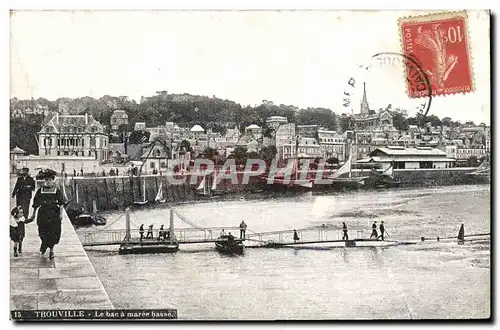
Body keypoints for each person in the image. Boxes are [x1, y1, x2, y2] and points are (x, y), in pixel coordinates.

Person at [30, 169, 65, 259]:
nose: (48, 182)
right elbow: (35, 204)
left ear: (53, 180)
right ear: (44, 181)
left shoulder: (57, 190)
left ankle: (52, 250)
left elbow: (61, 203)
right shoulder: (40, 190)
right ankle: (44, 244)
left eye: (50, 180)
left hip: (54, 213)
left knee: (53, 232)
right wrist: (33, 215)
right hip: (43, 213)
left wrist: (61, 214)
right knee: (42, 231)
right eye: (47, 180)